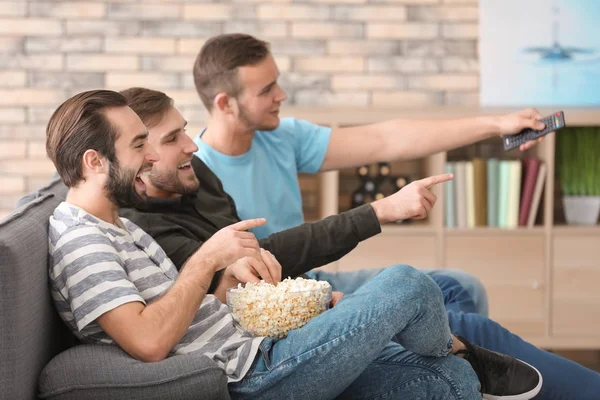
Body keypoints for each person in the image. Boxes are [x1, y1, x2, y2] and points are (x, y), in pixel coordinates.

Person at [46, 89, 542, 400]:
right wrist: (209, 259)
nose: (151, 156)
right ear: (94, 162)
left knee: (451, 386)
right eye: (139, 146)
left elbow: (196, 314)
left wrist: (292, 303)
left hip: (263, 346)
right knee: (406, 285)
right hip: (253, 376)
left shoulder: (121, 229)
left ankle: (457, 364)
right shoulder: (80, 241)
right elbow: (149, 342)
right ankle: (458, 348)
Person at [189, 34, 543, 318]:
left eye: (276, 83)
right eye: (266, 90)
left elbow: (388, 139)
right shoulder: (194, 177)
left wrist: (497, 125)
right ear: (225, 104)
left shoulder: (282, 136)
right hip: (278, 305)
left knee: (461, 287)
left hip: (315, 279)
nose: (281, 95)